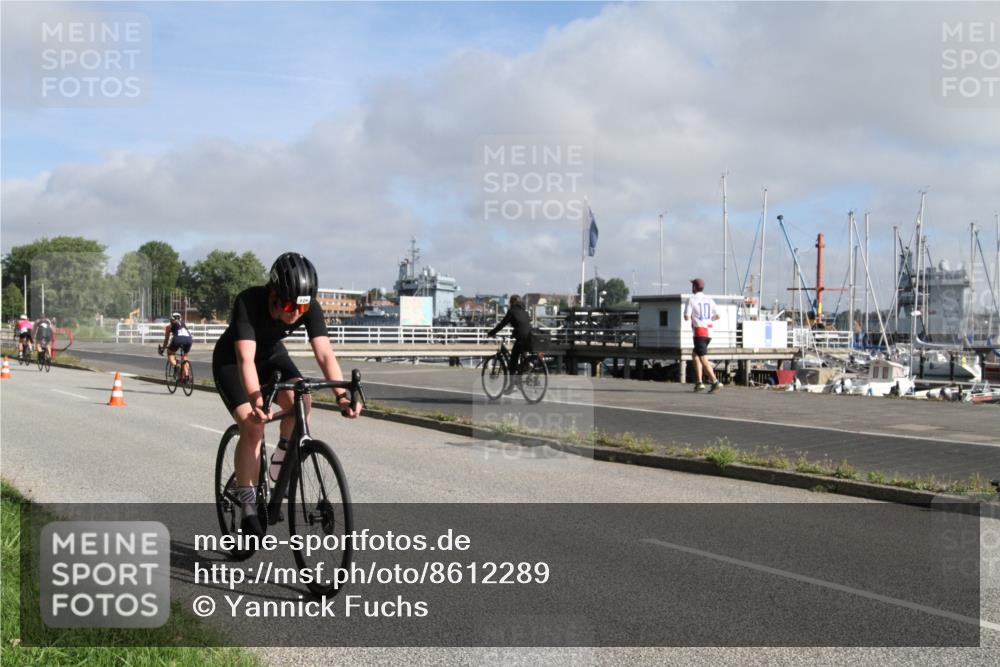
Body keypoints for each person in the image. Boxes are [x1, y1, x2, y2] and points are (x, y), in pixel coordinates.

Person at [212, 252, 361, 537]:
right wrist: (257, 401)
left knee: (302, 400)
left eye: (302, 309)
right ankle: (248, 504)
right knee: (253, 426)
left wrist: (342, 395)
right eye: (291, 305)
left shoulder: (307, 306)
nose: (296, 314)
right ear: (275, 295)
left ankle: (278, 466)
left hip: (271, 357)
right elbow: (245, 359)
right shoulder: (248, 301)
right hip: (233, 361)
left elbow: (325, 354)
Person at [684, 278, 722, 393]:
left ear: (694, 287)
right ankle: (699, 382)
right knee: (695, 354)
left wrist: (693, 319)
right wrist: (708, 319)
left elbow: (686, 317)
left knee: (703, 358)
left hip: (699, 331)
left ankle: (715, 381)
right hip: (709, 331)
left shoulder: (691, 299)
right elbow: (718, 315)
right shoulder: (709, 299)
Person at [487, 295, 532, 393]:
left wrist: (492, 332)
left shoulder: (512, 311)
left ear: (512, 303)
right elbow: (524, 324)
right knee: (521, 357)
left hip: (521, 339)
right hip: (529, 338)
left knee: (512, 363)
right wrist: (514, 333)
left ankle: (511, 387)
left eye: (510, 303)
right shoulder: (525, 311)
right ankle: (523, 372)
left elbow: (502, 324)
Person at [159, 312, 193, 381]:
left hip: (178, 339)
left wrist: (163, 349)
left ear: (171, 320)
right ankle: (186, 375)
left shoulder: (169, 326)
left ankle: (176, 366)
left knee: (170, 353)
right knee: (185, 356)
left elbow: (166, 340)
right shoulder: (183, 324)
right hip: (189, 339)